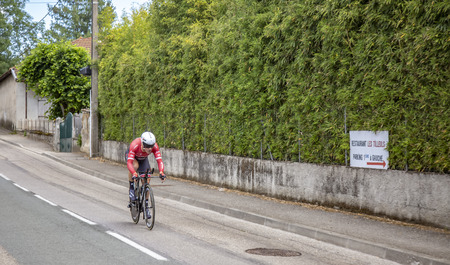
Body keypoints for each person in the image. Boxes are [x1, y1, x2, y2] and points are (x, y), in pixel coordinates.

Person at [126, 131, 166, 217]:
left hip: (143, 159)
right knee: (135, 166)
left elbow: (159, 161)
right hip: (133, 158)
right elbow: (129, 162)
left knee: (147, 177)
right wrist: (134, 173)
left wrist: (161, 172)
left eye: (151, 146)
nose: (150, 149)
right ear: (142, 143)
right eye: (147, 146)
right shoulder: (135, 144)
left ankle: (146, 206)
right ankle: (132, 187)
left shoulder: (154, 147)